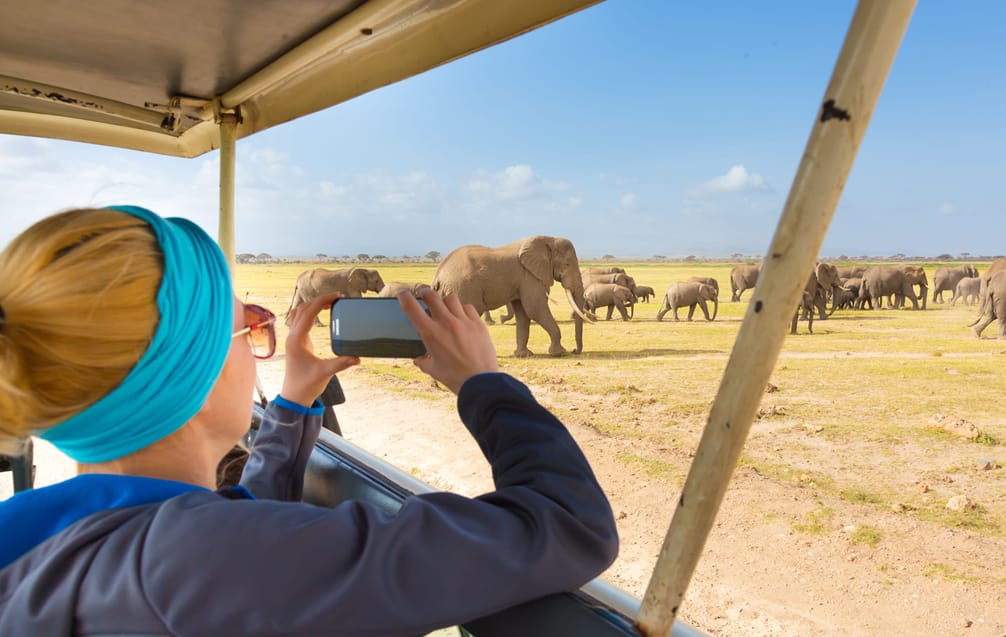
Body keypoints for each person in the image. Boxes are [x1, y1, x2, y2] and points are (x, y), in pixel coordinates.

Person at [0, 206, 618, 635]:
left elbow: (232, 526)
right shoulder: (209, 563)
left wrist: (294, 404)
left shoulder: (35, 533)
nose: (260, 339)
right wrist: (485, 384)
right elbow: (571, 524)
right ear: (197, 367)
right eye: (248, 326)